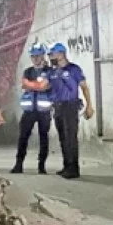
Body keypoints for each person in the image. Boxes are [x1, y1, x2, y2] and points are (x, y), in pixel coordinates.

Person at [47, 41, 93, 180]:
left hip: (70, 106)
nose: (50, 57)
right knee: (62, 137)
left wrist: (89, 105)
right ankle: (66, 165)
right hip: (58, 107)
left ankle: (74, 169)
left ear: (61, 54)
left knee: (70, 137)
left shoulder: (74, 69)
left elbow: (84, 87)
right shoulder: (53, 72)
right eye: (49, 55)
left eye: (52, 54)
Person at [11, 43, 52, 174]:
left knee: (43, 138)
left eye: (38, 56)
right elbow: (26, 84)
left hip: (44, 111)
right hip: (29, 111)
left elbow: (45, 86)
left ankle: (41, 166)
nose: (35, 58)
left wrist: (32, 85)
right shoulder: (28, 71)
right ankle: (19, 164)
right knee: (23, 137)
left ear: (43, 56)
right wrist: (38, 85)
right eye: (33, 56)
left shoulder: (49, 71)